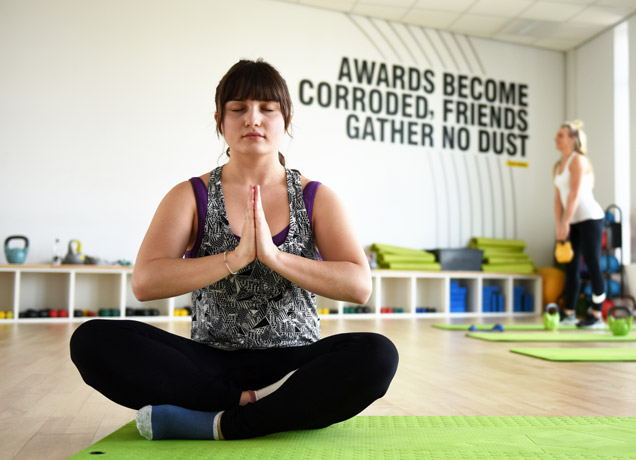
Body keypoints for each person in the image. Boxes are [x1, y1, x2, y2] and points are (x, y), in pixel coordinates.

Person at [69, 59, 399, 440]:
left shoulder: (316, 197)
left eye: (267, 109)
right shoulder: (190, 195)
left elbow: (359, 287)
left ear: (286, 119)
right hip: (210, 364)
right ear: (220, 122)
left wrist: (273, 258)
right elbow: (145, 282)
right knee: (92, 341)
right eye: (238, 109)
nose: (252, 119)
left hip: (292, 365)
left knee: (377, 354)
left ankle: (222, 421)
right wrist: (235, 258)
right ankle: (248, 406)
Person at [553, 120, 607, 329]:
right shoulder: (558, 166)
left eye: (560, 135)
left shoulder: (578, 160)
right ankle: (569, 313)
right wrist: (559, 224)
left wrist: (566, 221)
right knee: (571, 267)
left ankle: (596, 314)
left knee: (593, 264)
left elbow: (574, 194)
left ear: (572, 139)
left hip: (590, 218)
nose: (556, 139)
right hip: (573, 220)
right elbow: (558, 198)